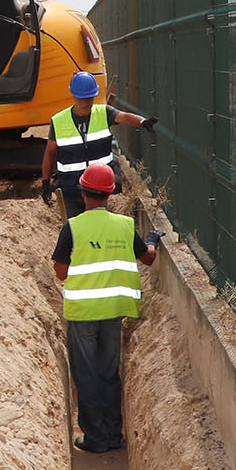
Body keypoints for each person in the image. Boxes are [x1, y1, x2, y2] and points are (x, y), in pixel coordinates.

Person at [50, 162, 162, 453]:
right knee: (109, 373)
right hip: (114, 312)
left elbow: (60, 272)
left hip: (82, 314)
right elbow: (147, 259)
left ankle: (95, 438)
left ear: (84, 193)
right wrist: (151, 242)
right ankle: (113, 434)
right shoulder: (124, 226)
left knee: (86, 376)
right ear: (109, 194)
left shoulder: (72, 227)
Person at [40, 70, 156, 221]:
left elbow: (124, 117)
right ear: (74, 96)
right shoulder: (59, 121)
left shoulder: (103, 113)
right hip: (71, 188)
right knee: (75, 229)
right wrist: (45, 183)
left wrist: (143, 122)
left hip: (98, 187)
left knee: (98, 225)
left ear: (94, 95)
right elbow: (49, 153)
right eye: (82, 98)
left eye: (89, 98)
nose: (86, 102)